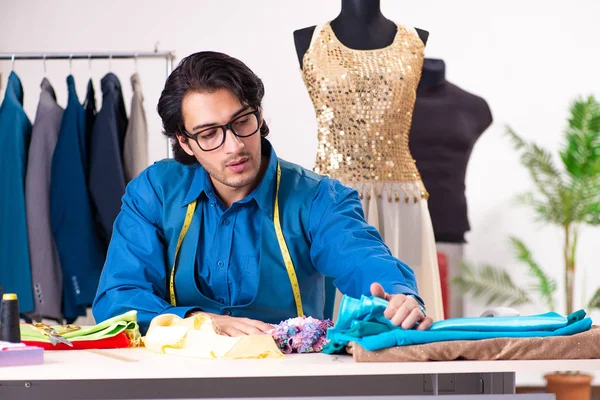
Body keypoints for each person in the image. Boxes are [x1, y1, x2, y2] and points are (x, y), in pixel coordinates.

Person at [92, 51, 433, 335]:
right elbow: (118, 299)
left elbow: (364, 259)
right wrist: (202, 322)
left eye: (242, 120)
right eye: (210, 133)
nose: (235, 146)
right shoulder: (155, 192)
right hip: (174, 379)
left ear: (259, 113)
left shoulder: (319, 199)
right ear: (184, 142)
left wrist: (399, 296)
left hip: (290, 379)